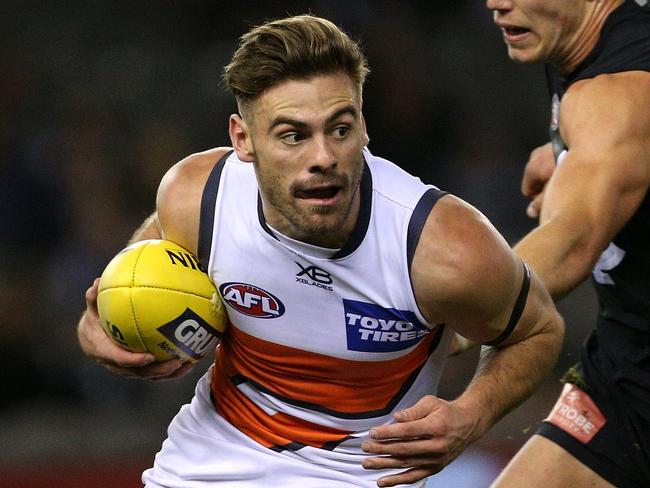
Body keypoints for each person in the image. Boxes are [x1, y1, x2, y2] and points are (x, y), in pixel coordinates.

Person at [77, 14, 564, 488]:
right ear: (243, 140)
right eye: (293, 135)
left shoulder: (443, 247)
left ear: (364, 127)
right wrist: (102, 327)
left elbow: (538, 330)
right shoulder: (197, 196)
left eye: (340, 129)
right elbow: (138, 271)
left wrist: (471, 415)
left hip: (360, 474)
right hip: (208, 463)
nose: (324, 158)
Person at [483, 1, 650, 487]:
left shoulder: (619, 93)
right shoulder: (584, 55)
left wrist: (432, 313)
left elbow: (570, 244)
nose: (496, 3)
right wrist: (564, 151)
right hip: (625, 377)